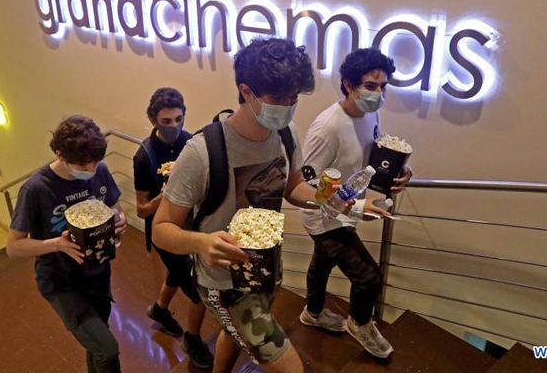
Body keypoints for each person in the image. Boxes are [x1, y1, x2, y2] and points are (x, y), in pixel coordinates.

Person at [153, 38, 385, 372]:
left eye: (294, 97)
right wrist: (201, 243)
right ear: (246, 92)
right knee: (291, 368)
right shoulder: (202, 152)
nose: (288, 106)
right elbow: (161, 229)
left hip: (266, 266)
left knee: (234, 335)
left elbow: (294, 187)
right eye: (278, 98)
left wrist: (330, 200)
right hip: (223, 282)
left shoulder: (286, 133)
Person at [298, 48, 413, 359]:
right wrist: (359, 208)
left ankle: (312, 313)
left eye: (383, 86)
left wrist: (402, 170)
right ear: (348, 85)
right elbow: (309, 188)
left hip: (347, 210)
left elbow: (375, 149)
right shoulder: (327, 128)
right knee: (368, 277)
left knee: (322, 263)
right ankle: (360, 323)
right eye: (370, 86)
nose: (379, 94)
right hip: (324, 218)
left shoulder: (370, 112)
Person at [7, 115, 128, 373]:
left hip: (97, 272)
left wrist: (119, 223)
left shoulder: (100, 171)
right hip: (61, 281)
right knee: (107, 348)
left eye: (95, 162)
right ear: (60, 154)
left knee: (97, 343)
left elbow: (114, 209)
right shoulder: (36, 189)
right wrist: (57, 244)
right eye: (82, 165)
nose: (90, 171)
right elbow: (14, 246)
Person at [132, 87, 214, 370]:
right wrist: (164, 196)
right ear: (153, 120)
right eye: (166, 122)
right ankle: (193, 339)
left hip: (190, 225)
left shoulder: (191, 144)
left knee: (177, 272)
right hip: (164, 230)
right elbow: (141, 209)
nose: (174, 127)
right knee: (198, 291)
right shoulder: (145, 157)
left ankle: (159, 309)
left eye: (179, 119)